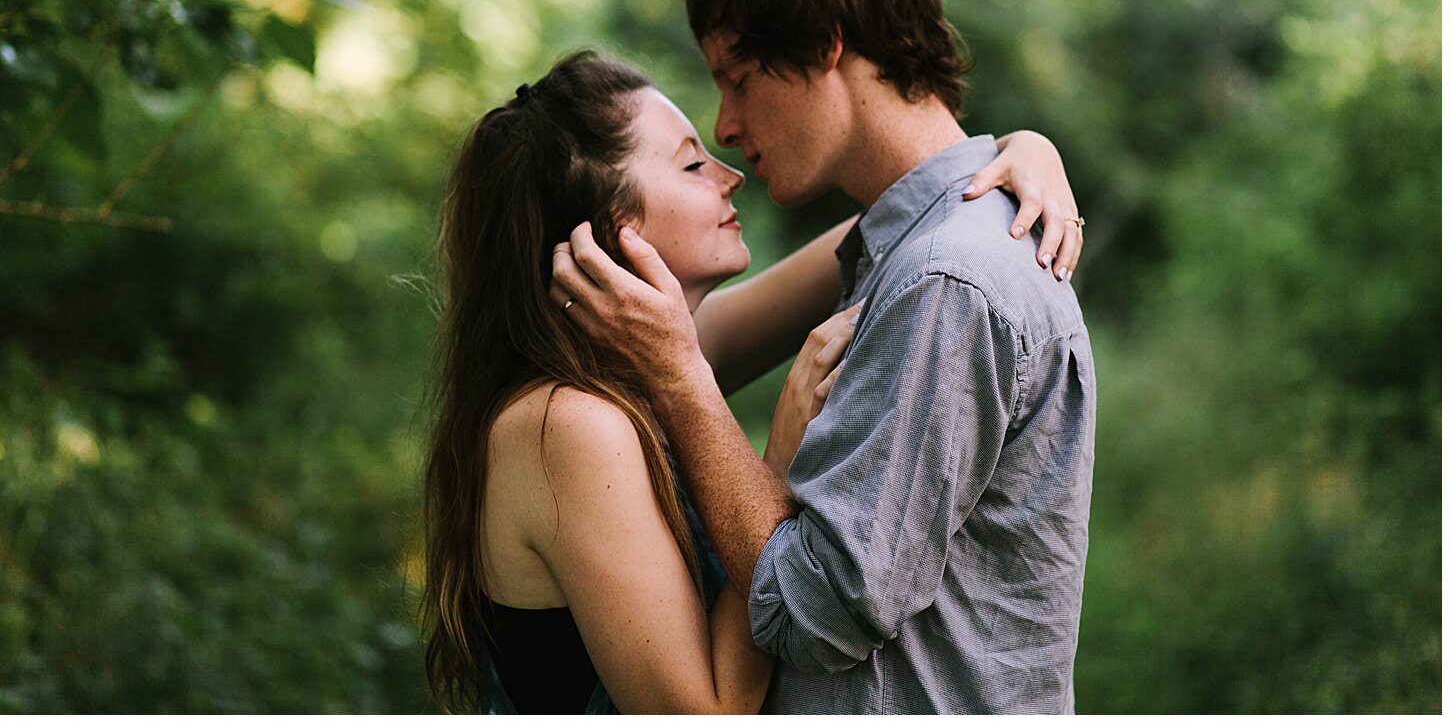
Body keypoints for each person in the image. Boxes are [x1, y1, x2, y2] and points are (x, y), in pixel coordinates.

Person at [552, 0, 1096, 713]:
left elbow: (815, 612)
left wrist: (680, 380)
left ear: (824, 44)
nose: (727, 126)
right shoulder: (912, 248)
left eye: (738, 80)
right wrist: (1028, 142)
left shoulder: (944, 277)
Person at [420, 47, 1082, 713]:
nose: (729, 175)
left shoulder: (633, 364)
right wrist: (775, 467)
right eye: (691, 163)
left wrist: (1018, 152)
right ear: (612, 228)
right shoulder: (567, 423)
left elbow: (911, 214)